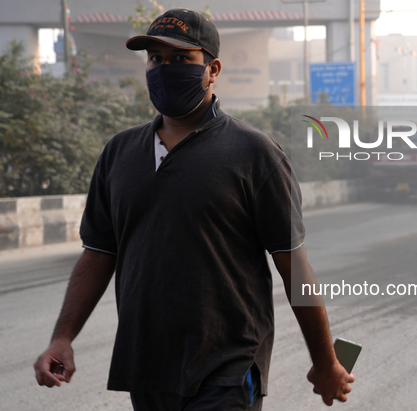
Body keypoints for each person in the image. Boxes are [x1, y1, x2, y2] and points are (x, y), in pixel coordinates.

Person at [34, 8, 353, 410]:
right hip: (147, 367)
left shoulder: (253, 152)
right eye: (156, 59)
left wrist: (325, 362)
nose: (165, 69)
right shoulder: (120, 153)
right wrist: (62, 337)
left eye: (181, 59)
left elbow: (294, 266)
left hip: (227, 368)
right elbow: (99, 252)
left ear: (213, 68)